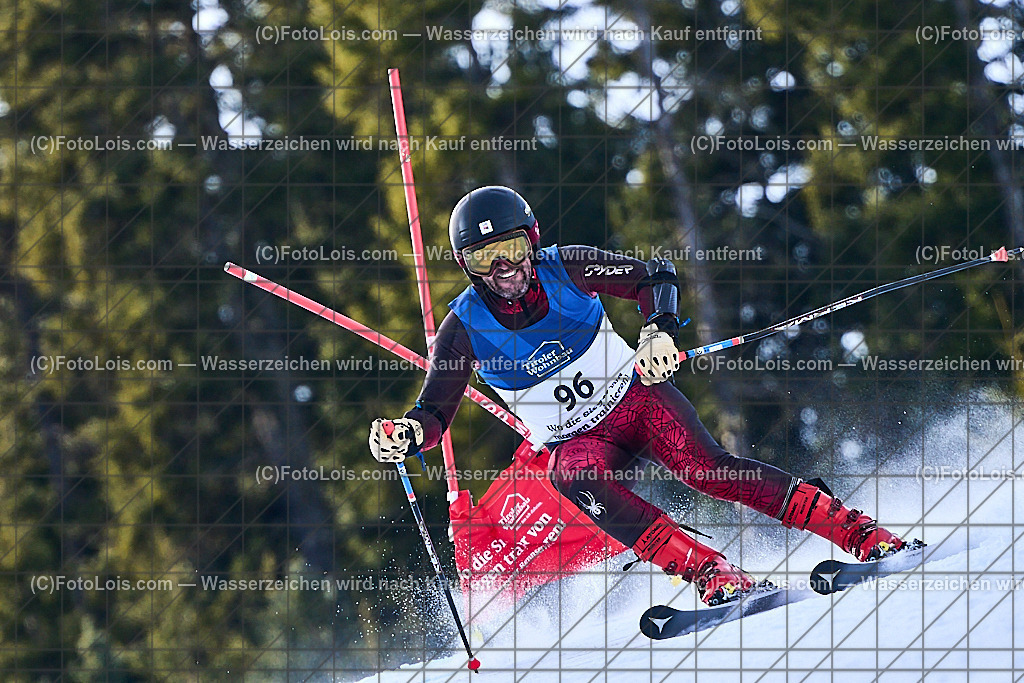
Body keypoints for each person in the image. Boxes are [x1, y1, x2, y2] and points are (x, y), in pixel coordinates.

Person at [369, 186, 912, 606]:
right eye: (486, 259)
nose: (505, 269)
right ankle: (710, 572)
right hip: (582, 442)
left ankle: (858, 532)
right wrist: (407, 435)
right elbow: (435, 410)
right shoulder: (462, 328)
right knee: (569, 472)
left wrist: (658, 331)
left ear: (531, 240)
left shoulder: (567, 266)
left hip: (637, 402)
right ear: (467, 266)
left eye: (511, 248)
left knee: (710, 471)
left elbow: (655, 276)